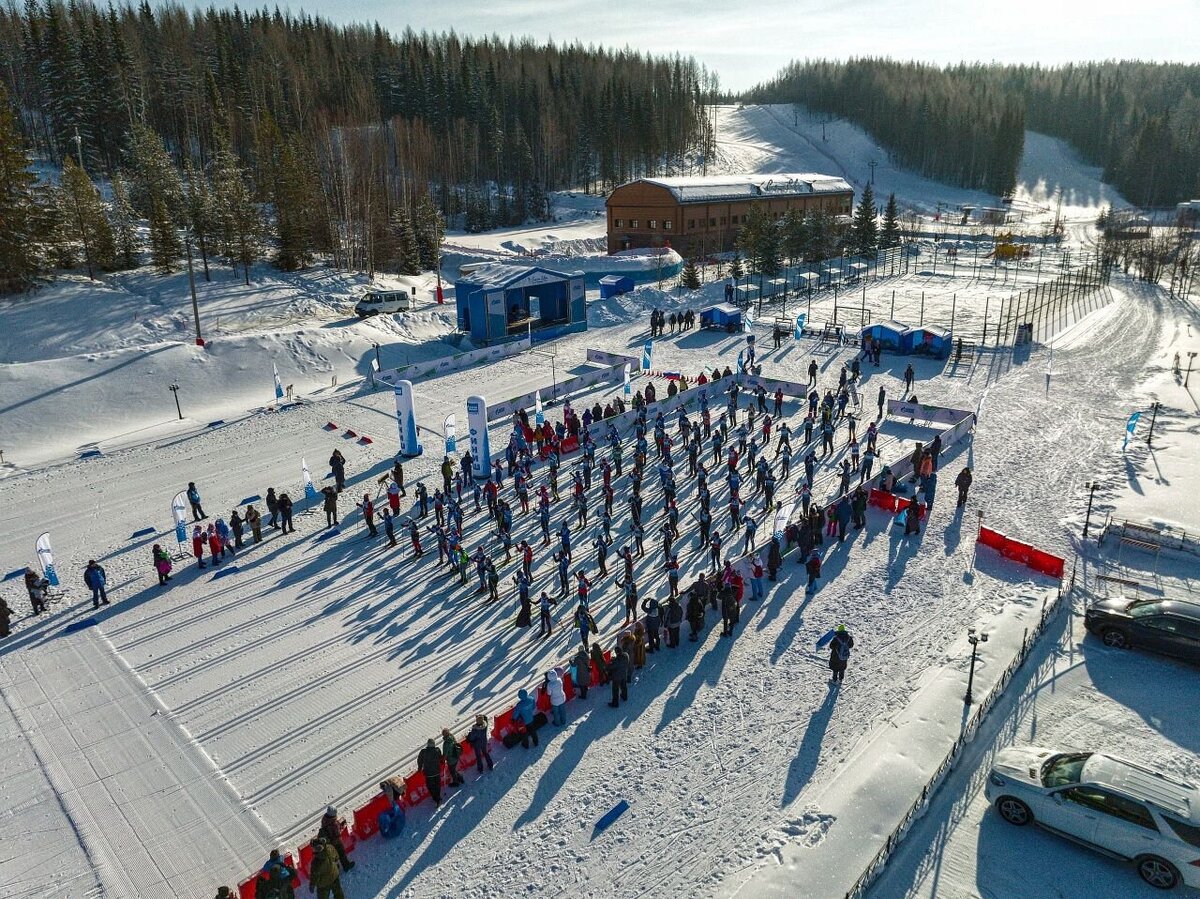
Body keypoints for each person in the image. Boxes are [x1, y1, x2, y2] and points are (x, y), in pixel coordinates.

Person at [318, 806, 354, 871]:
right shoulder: (334, 824)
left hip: (328, 842)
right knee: (341, 853)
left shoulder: (324, 818)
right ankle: (346, 866)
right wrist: (342, 826)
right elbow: (338, 833)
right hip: (336, 842)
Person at [418, 738, 444, 805]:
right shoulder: (437, 750)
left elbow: (419, 761)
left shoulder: (423, 752)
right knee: (437, 785)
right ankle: (438, 796)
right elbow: (441, 758)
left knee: (430, 786)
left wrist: (419, 768)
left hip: (428, 774)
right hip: (437, 772)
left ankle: (435, 798)